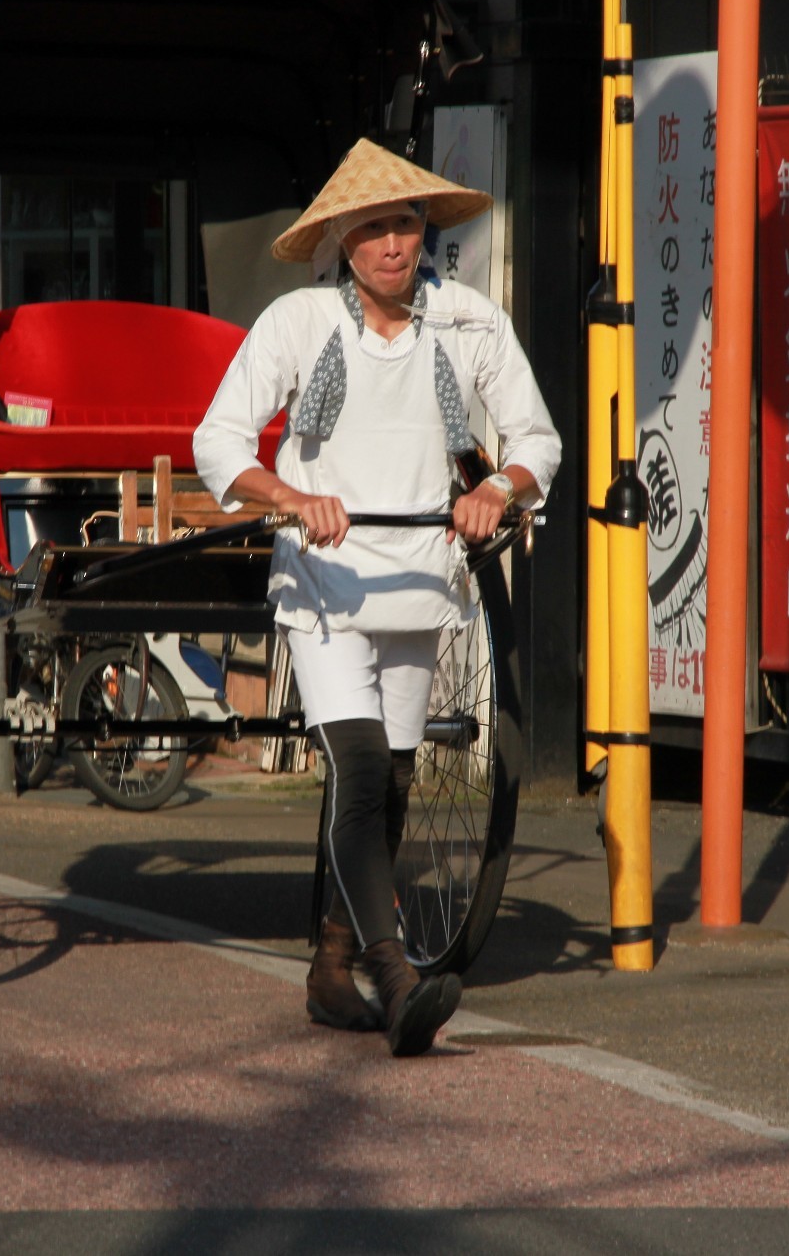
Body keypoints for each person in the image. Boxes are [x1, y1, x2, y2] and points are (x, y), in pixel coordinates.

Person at [194, 140, 561, 1057]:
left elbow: (538, 442)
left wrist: (495, 489)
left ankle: (330, 965)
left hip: (421, 579)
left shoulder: (470, 322)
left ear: (425, 231)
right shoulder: (299, 323)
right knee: (359, 770)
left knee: (396, 780)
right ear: (342, 244)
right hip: (325, 582)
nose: (393, 244)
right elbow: (219, 442)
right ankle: (396, 979)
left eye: (405, 224)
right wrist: (290, 497)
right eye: (373, 229)